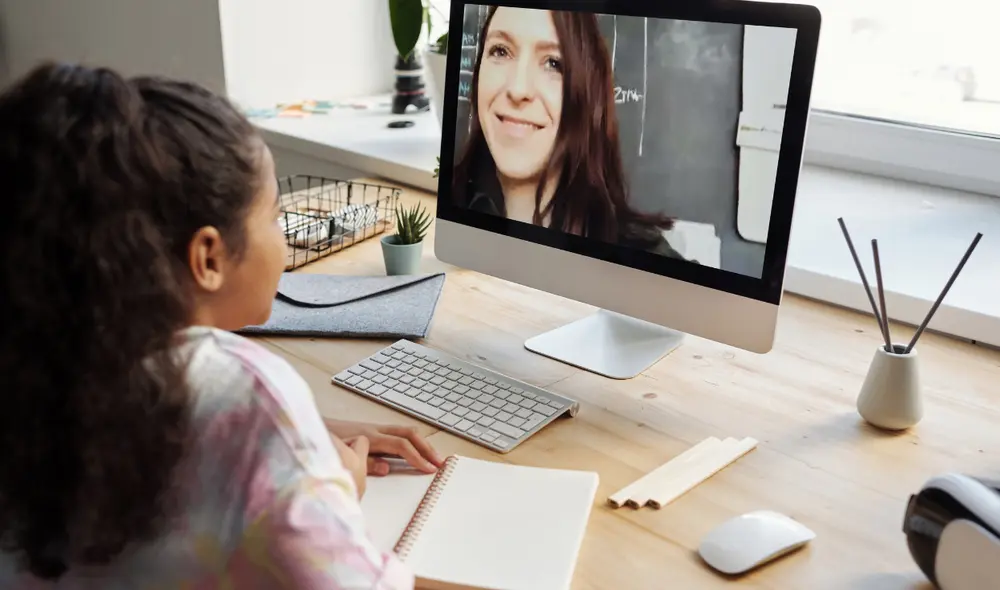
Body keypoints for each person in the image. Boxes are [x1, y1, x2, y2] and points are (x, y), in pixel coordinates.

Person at [0, 62, 440, 588]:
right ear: (208, 257)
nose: (283, 236)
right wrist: (332, 489)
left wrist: (305, 436)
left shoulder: (39, 361)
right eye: (274, 216)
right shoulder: (247, 394)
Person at [451, 6, 688, 260]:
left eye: (553, 63)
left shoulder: (641, 260)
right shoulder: (445, 208)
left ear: (587, 94)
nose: (518, 89)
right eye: (500, 51)